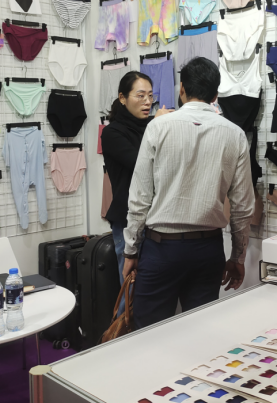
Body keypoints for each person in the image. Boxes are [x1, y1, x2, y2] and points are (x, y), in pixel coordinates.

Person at [123, 56, 255, 329]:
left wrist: (130, 251)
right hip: (208, 250)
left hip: (161, 249)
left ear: (181, 89)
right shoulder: (235, 134)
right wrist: (237, 257)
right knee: (200, 333)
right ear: (216, 95)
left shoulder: (157, 127)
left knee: (148, 336)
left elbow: (140, 199)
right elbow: (242, 207)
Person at [102, 72, 172, 313]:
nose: (147, 102)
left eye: (150, 96)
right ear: (122, 98)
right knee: (131, 292)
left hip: (158, 219)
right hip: (127, 220)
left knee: (156, 292)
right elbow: (141, 163)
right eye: (140, 96)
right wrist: (156, 125)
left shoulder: (153, 125)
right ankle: (124, 334)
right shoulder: (112, 133)